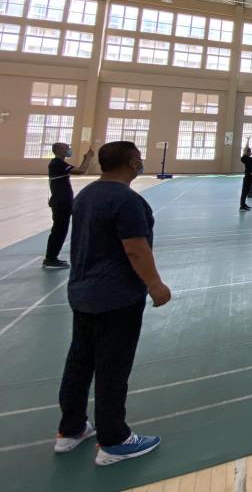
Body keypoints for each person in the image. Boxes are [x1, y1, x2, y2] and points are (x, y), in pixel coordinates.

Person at [54, 141, 168, 466]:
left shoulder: (87, 195)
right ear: (131, 163)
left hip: (83, 294)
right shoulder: (127, 201)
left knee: (79, 363)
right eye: (139, 158)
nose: (141, 162)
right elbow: (135, 248)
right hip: (115, 298)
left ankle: (71, 428)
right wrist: (155, 285)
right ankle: (114, 440)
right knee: (112, 369)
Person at [43, 142, 94, 269]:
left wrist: (84, 158)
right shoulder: (57, 164)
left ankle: (52, 257)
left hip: (64, 201)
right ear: (60, 150)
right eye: (67, 148)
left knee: (61, 229)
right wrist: (88, 158)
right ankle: (50, 258)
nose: (69, 150)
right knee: (59, 230)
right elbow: (81, 170)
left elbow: (79, 169)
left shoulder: (60, 164)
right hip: (61, 203)